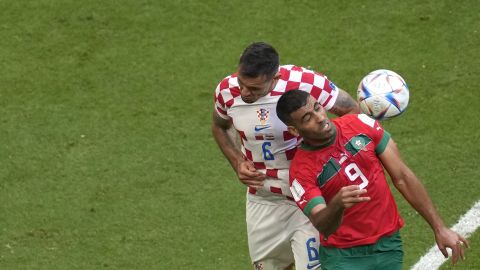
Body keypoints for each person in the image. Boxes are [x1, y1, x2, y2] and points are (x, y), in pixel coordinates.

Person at [275, 90, 469, 270]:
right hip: (343, 258)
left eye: (317, 108)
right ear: (294, 130)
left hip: (388, 245)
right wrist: (337, 205)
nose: (319, 118)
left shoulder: (360, 124)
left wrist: (439, 227)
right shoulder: (301, 172)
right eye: (307, 118)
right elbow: (323, 226)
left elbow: (402, 177)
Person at [211, 42, 360, 270]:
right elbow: (219, 126)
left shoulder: (306, 83)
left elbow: (352, 112)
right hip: (264, 197)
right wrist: (237, 162)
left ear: (275, 77)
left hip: (310, 196)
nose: (244, 92)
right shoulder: (226, 90)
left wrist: (333, 160)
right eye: (242, 83)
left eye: (254, 88)